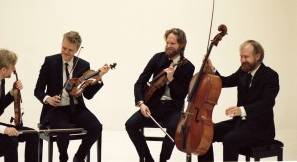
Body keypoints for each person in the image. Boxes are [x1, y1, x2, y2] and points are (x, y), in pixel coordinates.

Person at [198, 40, 280, 162]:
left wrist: (242, 110)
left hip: (260, 128)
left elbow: (267, 103)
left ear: (258, 56)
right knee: (206, 133)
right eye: (241, 56)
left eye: (246, 57)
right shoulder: (243, 71)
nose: (242, 60)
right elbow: (225, 81)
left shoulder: (270, 75)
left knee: (230, 140)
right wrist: (213, 70)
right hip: (240, 124)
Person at [34, 31, 110, 162]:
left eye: (70, 50)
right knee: (63, 131)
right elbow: (38, 90)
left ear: (77, 50)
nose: (66, 52)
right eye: (64, 48)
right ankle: (63, 157)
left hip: (76, 108)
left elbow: (88, 95)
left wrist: (99, 77)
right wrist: (48, 99)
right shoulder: (49, 61)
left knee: (96, 127)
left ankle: (79, 157)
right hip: (56, 109)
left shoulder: (83, 65)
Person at [125, 28, 195, 162]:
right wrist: (141, 103)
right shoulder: (157, 58)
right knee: (130, 124)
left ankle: (163, 159)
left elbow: (181, 95)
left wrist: (171, 79)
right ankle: (147, 158)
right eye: (167, 42)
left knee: (174, 126)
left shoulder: (188, 67)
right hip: (152, 105)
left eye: (172, 43)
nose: (168, 46)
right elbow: (139, 82)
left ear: (182, 45)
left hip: (173, 108)